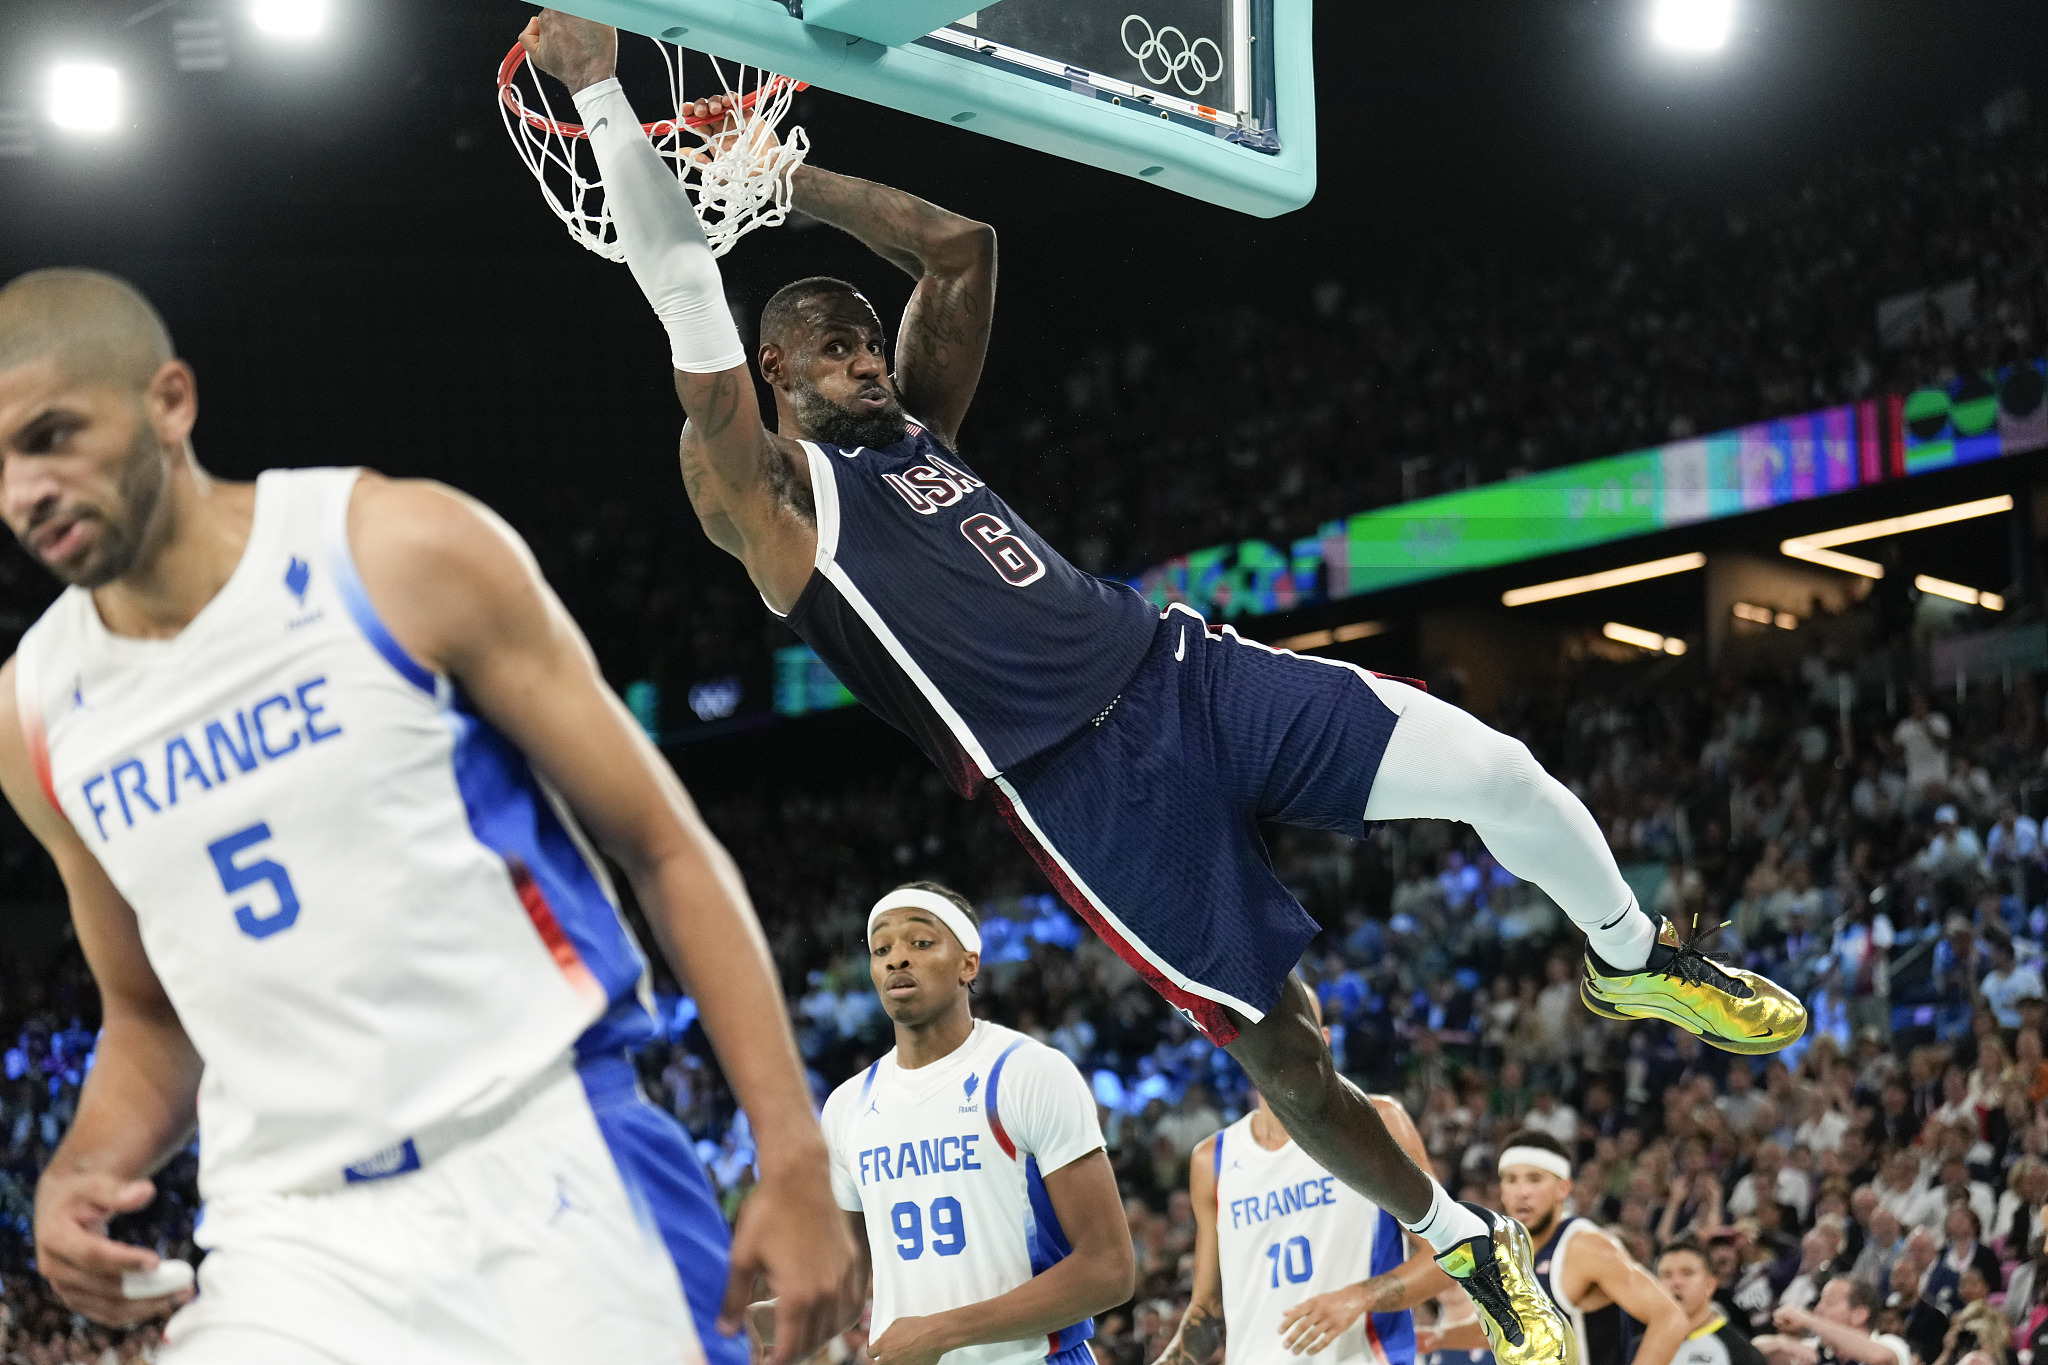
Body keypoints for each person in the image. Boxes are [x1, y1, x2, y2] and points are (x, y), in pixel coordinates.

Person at [511, 13, 1806, 1363]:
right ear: (774, 374)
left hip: (1181, 667)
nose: (865, 354)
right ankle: (1464, 1240)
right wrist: (605, 91)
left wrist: (790, 183)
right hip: (1083, 791)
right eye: (831, 344)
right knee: (1287, 1054)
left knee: (1498, 770)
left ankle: (1631, 958)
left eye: (866, 334)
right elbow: (684, 301)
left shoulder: (918, 434)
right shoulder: (771, 498)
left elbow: (963, 249)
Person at [0, 269, 863, 1359]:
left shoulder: (396, 549)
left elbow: (663, 847)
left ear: (169, 401)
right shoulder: (33, 714)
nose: (23, 491)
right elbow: (151, 1015)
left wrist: (790, 1156)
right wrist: (79, 1169)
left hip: (544, 1166)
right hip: (291, 1238)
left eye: (51, 436)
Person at [804, 882, 1134, 1365]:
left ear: (968, 964)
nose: (897, 959)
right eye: (882, 949)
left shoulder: (1027, 1072)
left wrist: (943, 1332)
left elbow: (1109, 1269)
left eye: (920, 943)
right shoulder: (846, 1105)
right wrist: (760, 1321)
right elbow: (849, 1291)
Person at [1156, 997, 1451, 1365]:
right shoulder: (1211, 1160)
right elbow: (1208, 1310)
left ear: (1321, 1039)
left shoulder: (1378, 1122)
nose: (1281, 1041)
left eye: (1294, 1026)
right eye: (1264, 1029)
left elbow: (1453, 1253)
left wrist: (1361, 1296)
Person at [1430, 1132, 1688, 1365]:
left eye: (1534, 1179)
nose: (1522, 1193)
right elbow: (1505, 1324)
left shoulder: (1585, 1245)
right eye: (1511, 1180)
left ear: (1563, 1188)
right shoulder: (1508, 1248)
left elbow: (1670, 1320)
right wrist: (1436, 1337)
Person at [1656, 1240, 1769, 1365]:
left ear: (1710, 1285)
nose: (1676, 1282)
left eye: (1687, 1273)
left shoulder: (1740, 1353)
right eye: (1666, 1275)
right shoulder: (1642, 1347)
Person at [1753, 1279, 1911, 1365]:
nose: (1819, 1309)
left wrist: (1810, 1321)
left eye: (1829, 1302)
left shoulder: (1889, 1343)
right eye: (1819, 1301)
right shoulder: (1817, 1350)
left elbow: (1881, 1358)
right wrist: (1783, 1343)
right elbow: (1752, 1349)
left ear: (1859, 1315)